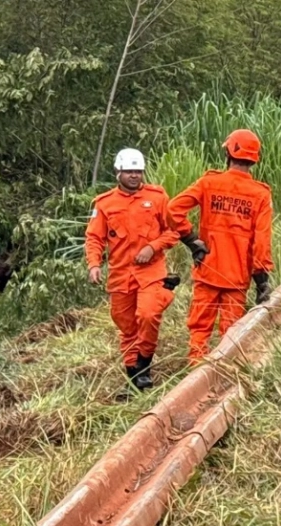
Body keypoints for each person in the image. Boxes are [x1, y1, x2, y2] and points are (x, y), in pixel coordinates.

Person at [167, 129, 274, 361]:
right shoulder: (260, 194)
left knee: (199, 330)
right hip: (237, 277)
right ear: (254, 159)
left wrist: (192, 240)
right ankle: (226, 374)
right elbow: (262, 240)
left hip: (208, 269)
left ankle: (196, 370)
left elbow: (173, 209)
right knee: (231, 334)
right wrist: (261, 279)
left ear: (229, 153)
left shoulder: (209, 182)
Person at [85, 148, 181, 394]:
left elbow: (173, 231)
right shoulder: (104, 203)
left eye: (138, 171)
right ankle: (134, 379)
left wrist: (152, 247)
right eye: (129, 171)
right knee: (127, 327)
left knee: (148, 315)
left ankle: (144, 367)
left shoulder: (157, 197)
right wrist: (94, 264)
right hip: (120, 275)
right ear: (118, 172)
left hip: (151, 271)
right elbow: (94, 238)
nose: (134, 175)